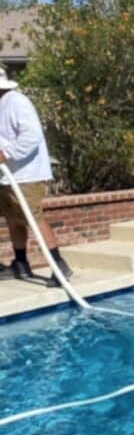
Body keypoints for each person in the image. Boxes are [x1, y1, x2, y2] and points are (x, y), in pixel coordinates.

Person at [0, 67, 72, 286]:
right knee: (13, 218)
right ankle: (21, 263)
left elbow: (31, 136)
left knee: (33, 217)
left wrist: (6, 154)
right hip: (8, 175)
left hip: (26, 175)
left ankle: (59, 265)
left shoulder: (17, 103)